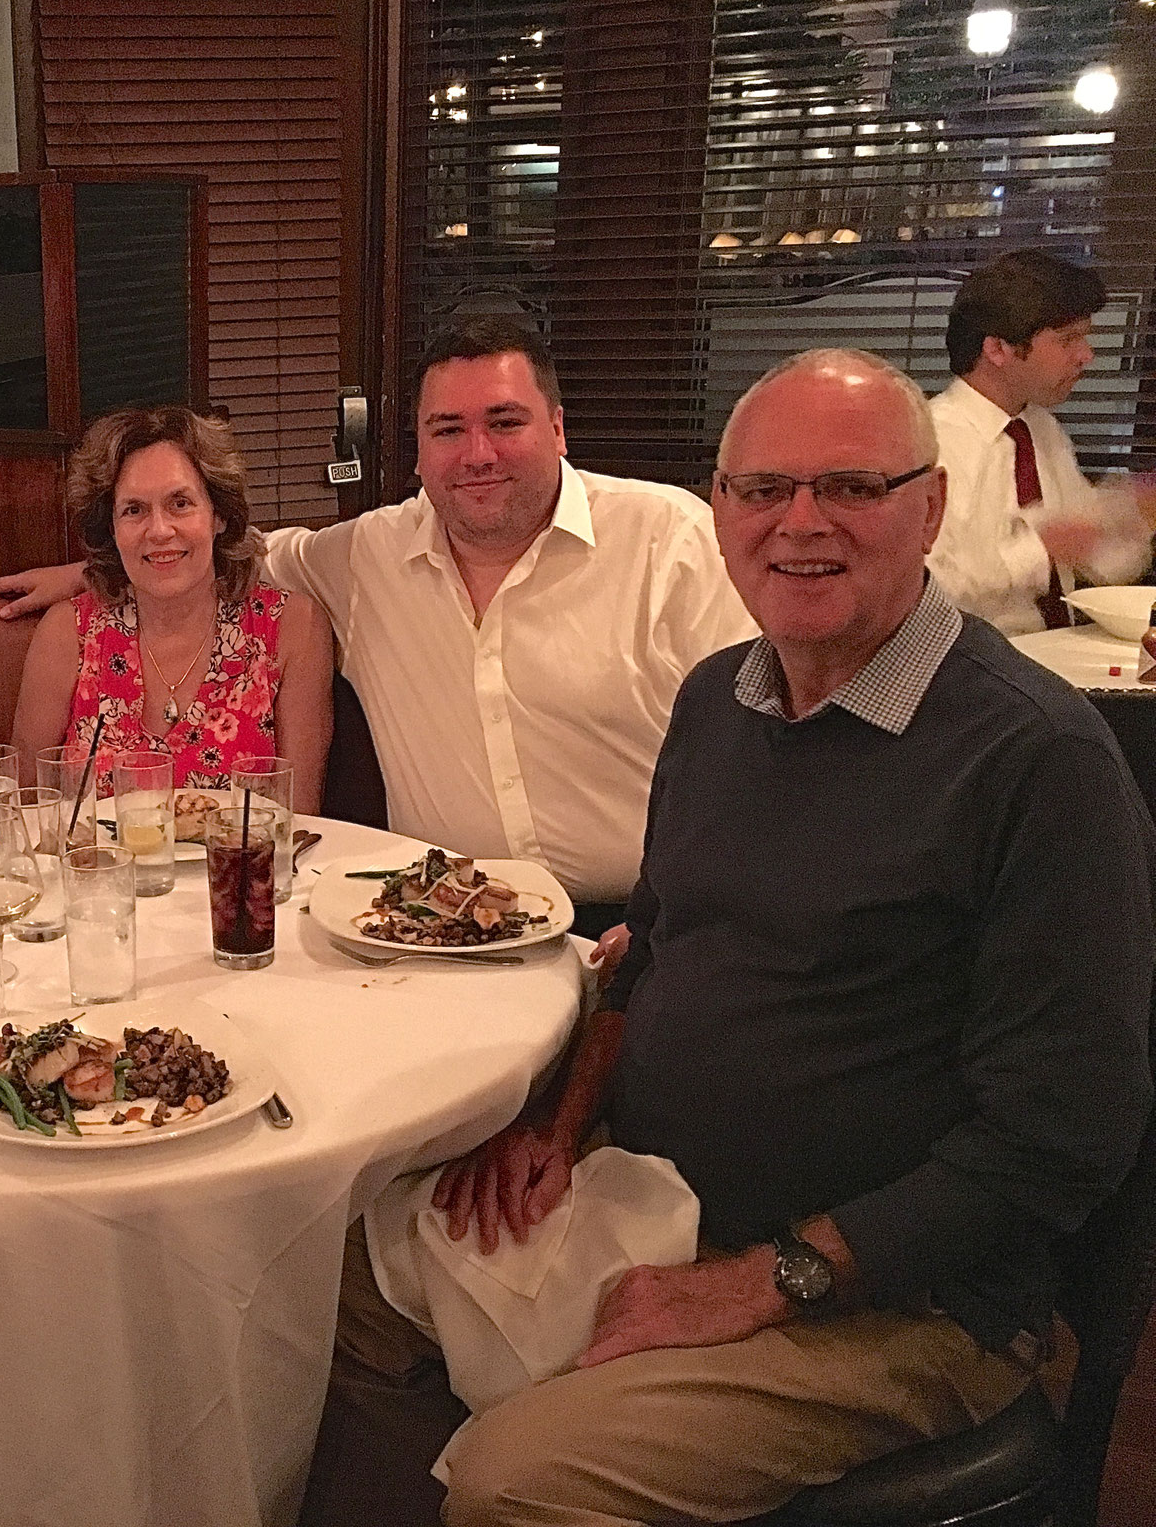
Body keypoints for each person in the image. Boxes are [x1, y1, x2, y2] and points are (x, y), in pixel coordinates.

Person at [363, 349, 1153, 1526]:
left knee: (508, 1484)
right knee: (306, 1287)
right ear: (718, 510)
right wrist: (557, 1124)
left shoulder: (1034, 763)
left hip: (901, 1298)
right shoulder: (717, 699)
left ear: (928, 507)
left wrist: (765, 1278)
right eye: (760, 490)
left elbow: (1059, 1140)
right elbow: (655, 950)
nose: (799, 525)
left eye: (849, 487)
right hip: (656, 1201)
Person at [0, 318, 755, 940]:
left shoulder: (673, 544)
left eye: (504, 421)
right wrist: (92, 572)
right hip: (432, 916)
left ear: (557, 428)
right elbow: (211, 555)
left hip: (641, 918)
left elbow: (756, 754)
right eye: (448, 429)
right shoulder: (373, 553)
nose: (476, 453)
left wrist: (670, 921)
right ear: (418, 448)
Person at [10, 406, 333, 808]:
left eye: (180, 503)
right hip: (100, 870)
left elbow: (301, 819)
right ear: (111, 528)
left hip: (239, 871)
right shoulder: (68, 631)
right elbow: (20, 804)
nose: (159, 530)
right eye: (134, 510)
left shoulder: (291, 629)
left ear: (218, 515)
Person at [929, 248, 1150, 635]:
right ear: (997, 349)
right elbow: (928, 587)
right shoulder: (931, 441)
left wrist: (1135, 515)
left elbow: (1100, 564)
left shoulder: (1040, 429)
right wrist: (1041, 549)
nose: (1087, 355)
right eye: (1068, 340)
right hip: (973, 664)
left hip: (1055, 651)